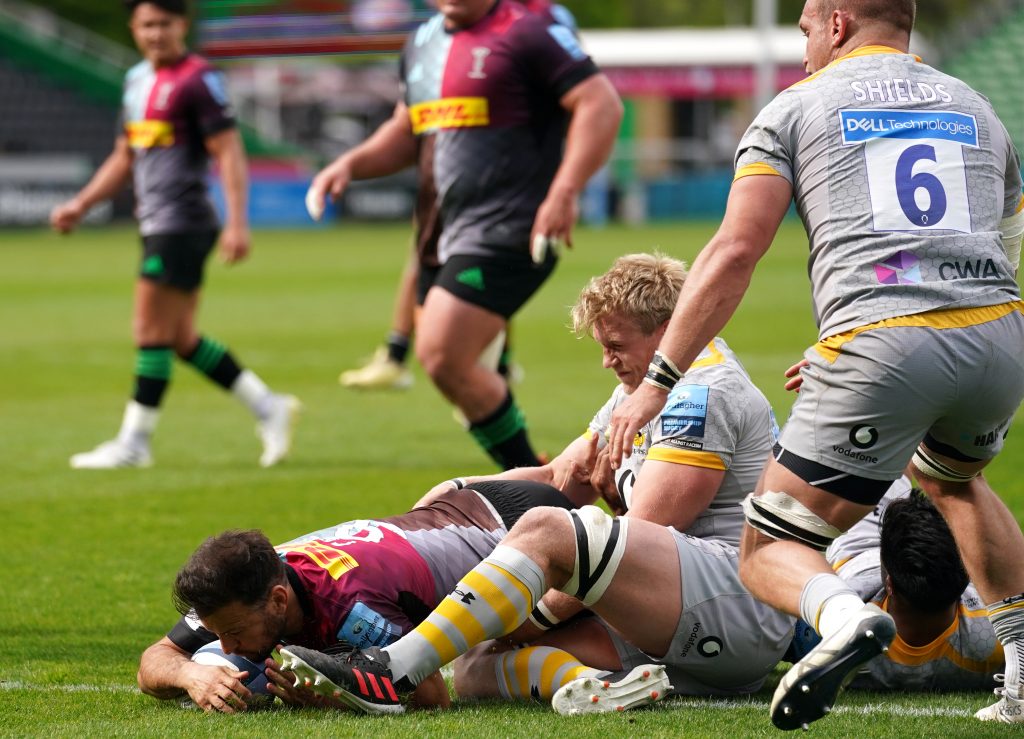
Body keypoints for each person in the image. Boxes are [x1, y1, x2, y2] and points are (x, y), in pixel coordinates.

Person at [603, 0, 1024, 729]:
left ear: (836, 22)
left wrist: (658, 380)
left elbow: (736, 249)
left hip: (881, 340)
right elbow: (1009, 235)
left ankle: (843, 619)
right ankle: (1022, 671)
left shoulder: (796, 106)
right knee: (955, 479)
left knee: (770, 545)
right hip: (997, 333)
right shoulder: (976, 105)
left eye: (803, 31)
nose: (801, 50)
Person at [272, 254, 794, 715]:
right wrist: (459, 487)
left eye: (616, 345)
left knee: (550, 530)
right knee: (476, 662)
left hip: (737, 608)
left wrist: (539, 615)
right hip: (678, 620)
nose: (607, 361)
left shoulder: (702, 393)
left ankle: (388, 671)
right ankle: (594, 689)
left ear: (666, 330)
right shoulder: (643, 388)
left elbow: (645, 526)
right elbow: (559, 476)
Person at [307, 0, 623, 470]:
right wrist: (350, 164)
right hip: (441, 232)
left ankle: (541, 488)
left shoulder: (528, 32)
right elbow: (405, 130)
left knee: (441, 353)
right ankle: (540, 483)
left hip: (513, 225)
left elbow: (600, 103)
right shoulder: (421, 43)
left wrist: (565, 189)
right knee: (455, 371)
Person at [49, 0, 300, 469]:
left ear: (182, 25)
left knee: (148, 328)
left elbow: (228, 151)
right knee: (181, 337)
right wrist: (81, 204)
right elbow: (125, 155)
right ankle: (269, 407)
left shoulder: (197, 79)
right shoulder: (135, 81)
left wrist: (239, 221)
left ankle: (134, 443)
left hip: (182, 223)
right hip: (156, 223)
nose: (156, 33)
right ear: (133, 28)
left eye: (165, 23)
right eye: (147, 24)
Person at [136, 479, 574, 712]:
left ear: (278, 601)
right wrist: (190, 675)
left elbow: (432, 696)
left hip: (523, 529)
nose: (227, 646)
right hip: (455, 503)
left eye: (233, 633)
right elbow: (155, 659)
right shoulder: (237, 582)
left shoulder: (352, 608)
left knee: (492, 664)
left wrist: (332, 693)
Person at [337, 0, 577, 393]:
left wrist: (564, 183)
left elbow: (576, 100)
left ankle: (407, 355)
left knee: (448, 349)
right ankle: (485, 368)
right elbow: (410, 122)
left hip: (509, 202)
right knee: (452, 357)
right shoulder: (430, 36)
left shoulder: (541, 22)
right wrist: (351, 164)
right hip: (446, 190)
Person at [799, 477, 1004, 691]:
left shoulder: (835, 627)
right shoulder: (997, 638)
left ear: (889, 584)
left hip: (859, 548)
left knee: (869, 460)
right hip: (901, 556)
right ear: (967, 577)